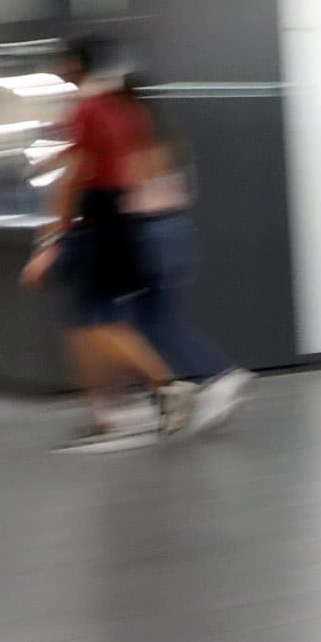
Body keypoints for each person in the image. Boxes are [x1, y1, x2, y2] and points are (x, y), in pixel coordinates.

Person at [20, 38, 193, 453]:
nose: (57, 70)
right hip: (119, 216)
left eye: (62, 62)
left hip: (99, 219)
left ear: (74, 64)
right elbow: (100, 159)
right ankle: (106, 412)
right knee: (88, 321)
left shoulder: (85, 109)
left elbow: (76, 177)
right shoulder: (115, 109)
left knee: (94, 322)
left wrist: (51, 241)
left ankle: (165, 385)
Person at [122, 81, 255, 431]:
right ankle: (167, 393)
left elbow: (130, 189)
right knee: (150, 321)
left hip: (152, 232)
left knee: (153, 322)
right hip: (176, 231)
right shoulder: (169, 142)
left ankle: (218, 375)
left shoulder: (140, 143)